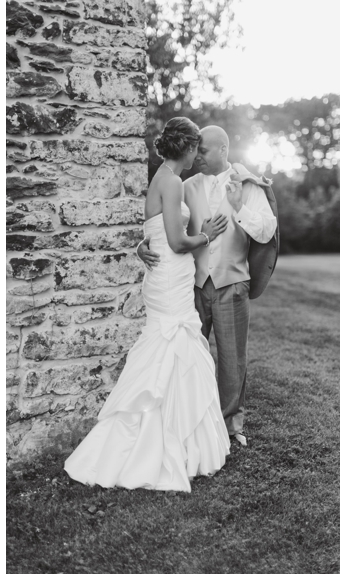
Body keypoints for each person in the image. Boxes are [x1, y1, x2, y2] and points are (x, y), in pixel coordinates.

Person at [65, 117, 231, 492]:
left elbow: (152, 233)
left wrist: (143, 247)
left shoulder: (158, 177)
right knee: (172, 349)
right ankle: (163, 442)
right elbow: (175, 241)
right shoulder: (171, 181)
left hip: (163, 278)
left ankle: (179, 434)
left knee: (171, 350)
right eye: (196, 150)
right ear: (187, 148)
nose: (196, 156)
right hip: (169, 279)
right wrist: (207, 235)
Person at [137, 126, 279, 447]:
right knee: (189, 357)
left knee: (232, 359)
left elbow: (267, 230)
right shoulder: (184, 185)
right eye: (195, 150)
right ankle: (189, 420)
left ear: (223, 151)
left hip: (232, 283)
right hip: (193, 285)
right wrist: (141, 245)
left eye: (203, 151)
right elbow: (162, 223)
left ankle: (231, 425)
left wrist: (239, 207)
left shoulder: (248, 186)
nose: (197, 156)